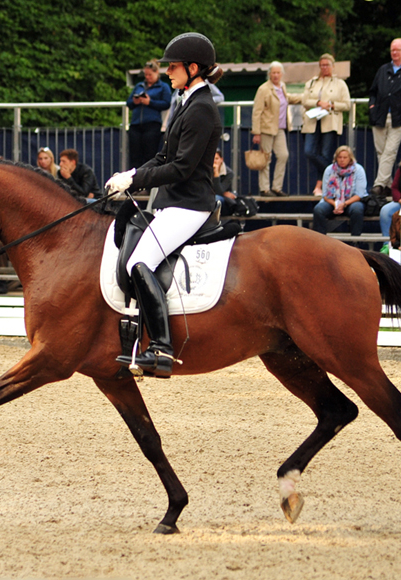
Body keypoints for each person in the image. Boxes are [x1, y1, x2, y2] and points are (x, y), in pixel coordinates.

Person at [105, 32, 223, 377]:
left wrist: (136, 181)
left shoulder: (202, 109)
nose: (168, 71)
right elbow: (162, 156)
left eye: (173, 66)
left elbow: (183, 167)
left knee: (140, 260)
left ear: (193, 67)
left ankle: (161, 347)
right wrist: (131, 173)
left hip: (190, 204)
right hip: (173, 201)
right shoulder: (185, 101)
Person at [368, 38, 401, 198]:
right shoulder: (383, 69)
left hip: (400, 118)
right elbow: (373, 91)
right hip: (380, 115)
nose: (394, 53)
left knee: (390, 151)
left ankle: (378, 185)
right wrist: (372, 107)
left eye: (398, 50)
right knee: (381, 152)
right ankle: (387, 185)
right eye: (392, 50)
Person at [301, 53, 350, 196]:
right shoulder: (312, 82)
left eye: (327, 65)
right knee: (309, 151)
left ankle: (319, 187)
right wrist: (318, 103)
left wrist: (331, 105)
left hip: (329, 121)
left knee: (325, 153)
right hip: (312, 121)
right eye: (322, 65)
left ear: (333, 66)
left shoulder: (340, 83)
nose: (324, 68)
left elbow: (346, 104)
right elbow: (304, 101)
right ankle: (335, 172)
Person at [251, 62, 291, 196]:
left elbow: (287, 100)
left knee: (283, 155)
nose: (276, 75)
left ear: (282, 74)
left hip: (280, 128)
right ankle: (265, 189)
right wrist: (256, 132)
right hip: (266, 128)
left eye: (278, 72)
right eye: (273, 73)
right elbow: (257, 111)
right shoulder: (263, 89)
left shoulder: (282, 87)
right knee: (265, 159)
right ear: (269, 74)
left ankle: (277, 187)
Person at [312, 145, 367, 237]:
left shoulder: (358, 170)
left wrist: (344, 204)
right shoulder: (329, 170)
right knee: (318, 209)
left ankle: (355, 241)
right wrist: (335, 204)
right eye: (339, 157)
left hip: (352, 201)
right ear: (336, 158)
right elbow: (325, 194)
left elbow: (359, 195)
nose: (342, 160)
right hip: (332, 201)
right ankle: (320, 240)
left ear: (350, 158)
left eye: (345, 157)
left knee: (357, 209)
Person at [127, 59, 172, 169]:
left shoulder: (163, 87)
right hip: (136, 124)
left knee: (149, 154)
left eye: (150, 75)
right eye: (146, 75)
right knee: (135, 156)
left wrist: (150, 102)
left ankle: (148, 180)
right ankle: (134, 180)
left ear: (156, 73)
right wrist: (135, 101)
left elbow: (166, 103)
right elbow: (128, 102)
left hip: (152, 124)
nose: (147, 77)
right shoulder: (139, 85)